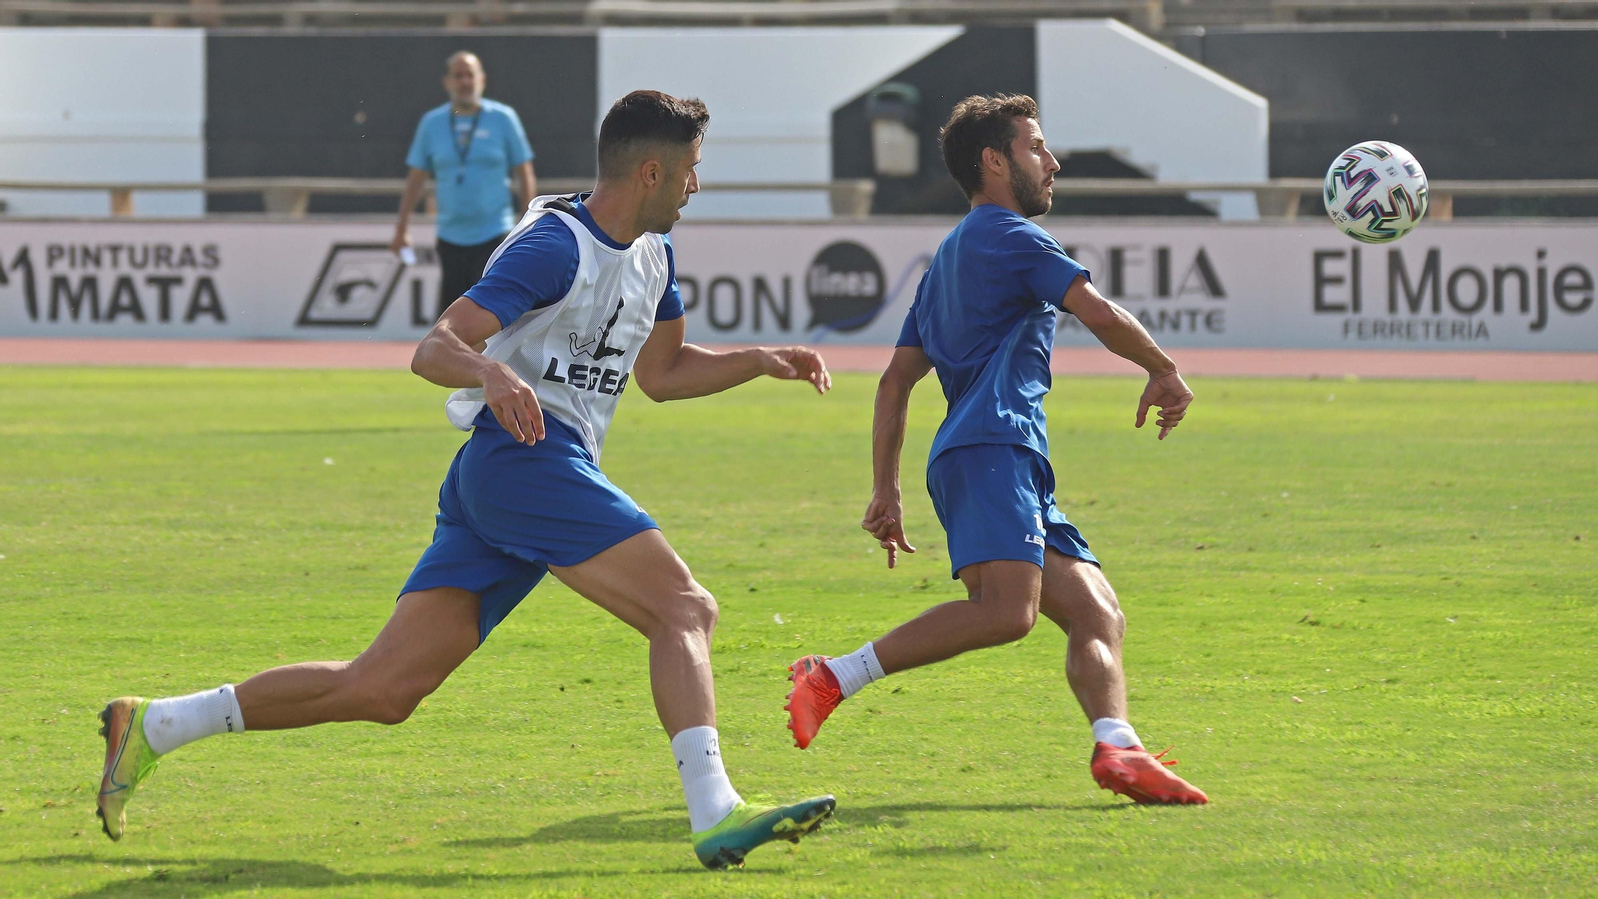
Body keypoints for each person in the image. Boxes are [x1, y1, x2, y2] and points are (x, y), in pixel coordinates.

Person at [98, 90, 839, 870]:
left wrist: (759, 360)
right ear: (651, 172)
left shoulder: (655, 254)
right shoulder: (554, 246)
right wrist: (490, 372)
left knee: (383, 689)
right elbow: (435, 345)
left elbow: (664, 372)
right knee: (684, 605)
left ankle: (153, 725)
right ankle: (715, 810)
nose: (696, 186)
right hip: (524, 460)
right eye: (690, 170)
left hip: (517, 477)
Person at [784, 94, 1209, 806]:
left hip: (1001, 454)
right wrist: (1162, 369)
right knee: (1007, 611)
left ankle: (1119, 748)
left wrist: (886, 488)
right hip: (991, 446)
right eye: (1036, 147)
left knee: (1098, 612)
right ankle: (832, 676)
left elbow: (895, 382)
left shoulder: (948, 257)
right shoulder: (1012, 236)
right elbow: (1098, 312)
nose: (1052, 162)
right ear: (994, 161)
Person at [391, 50, 538, 321]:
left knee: (487, 317)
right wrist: (401, 229)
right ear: (447, 82)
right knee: (450, 321)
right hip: (450, 236)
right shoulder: (432, 123)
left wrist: (526, 224)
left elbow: (524, 172)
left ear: (482, 80)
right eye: (458, 76)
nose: (465, 82)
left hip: (494, 233)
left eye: (470, 75)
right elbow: (416, 179)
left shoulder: (503, 118)